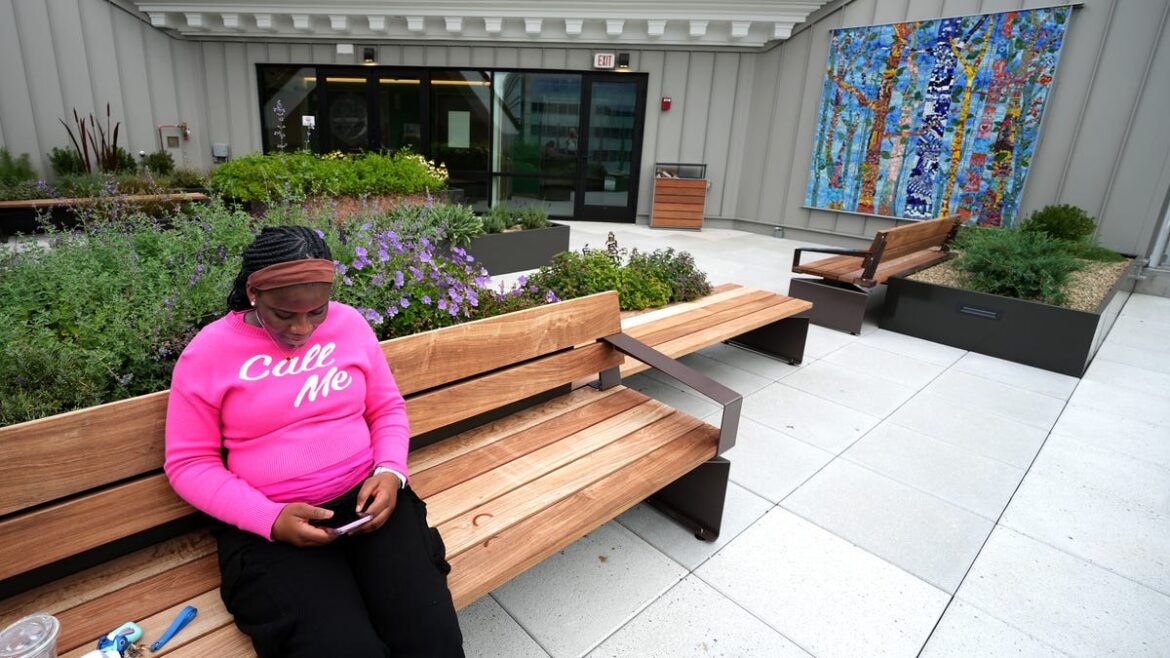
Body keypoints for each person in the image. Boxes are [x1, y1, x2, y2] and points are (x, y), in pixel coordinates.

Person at [164, 226, 464, 657]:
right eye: (285, 314)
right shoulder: (208, 353)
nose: (302, 328)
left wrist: (391, 472)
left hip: (370, 505)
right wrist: (269, 518)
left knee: (432, 640)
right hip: (272, 528)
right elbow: (189, 463)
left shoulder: (350, 325)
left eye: (316, 311)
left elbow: (387, 409)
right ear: (253, 292)